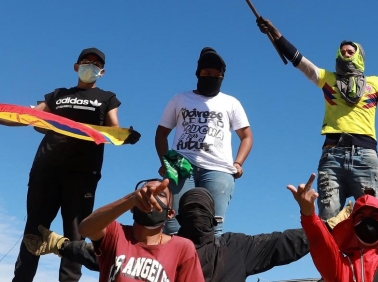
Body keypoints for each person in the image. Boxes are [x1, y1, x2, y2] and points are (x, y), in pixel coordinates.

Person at [257, 18, 378, 220]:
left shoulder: (375, 83)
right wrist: (276, 34)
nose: (346, 54)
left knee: (371, 220)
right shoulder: (327, 78)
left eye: (351, 52)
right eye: (342, 52)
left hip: (365, 156)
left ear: (360, 56)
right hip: (332, 156)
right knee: (329, 221)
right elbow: (299, 60)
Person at [5, 48, 134, 282]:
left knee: (75, 235)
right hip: (46, 169)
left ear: (102, 72)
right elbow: (32, 117)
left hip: (83, 174)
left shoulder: (108, 98)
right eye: (86, 62)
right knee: (34, 229)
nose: (90, 66)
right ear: (76, 66)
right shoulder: (57, 94)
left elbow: (114, 129)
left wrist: (125, 136)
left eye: (96, 64)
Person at [26, 187, 312, 282]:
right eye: (191, 210)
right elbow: (100, 253)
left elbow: (287, 242)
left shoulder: (235, 246)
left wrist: (326, 227)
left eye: (201, 211)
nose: (197, 215)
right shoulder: (173, 247)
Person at [155, 47, 253, 236]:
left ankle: (207, 265)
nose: (212, 77)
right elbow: (161, 133)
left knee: (212, 228)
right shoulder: (180, 99)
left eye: (217, 74)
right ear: (198, 73)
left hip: (219, 169)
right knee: (173, 225)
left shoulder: (231, 103)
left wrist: (238, 163)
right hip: (180, 165)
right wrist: (164, 161)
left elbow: (247, 136)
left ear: (223, 77)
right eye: (207, 73)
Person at [77, 178, 204, 281]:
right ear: (133, 207)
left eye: (160, 194)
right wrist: (130, 199)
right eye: (145, 192)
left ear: (170, 213)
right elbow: (85, 229)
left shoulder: (182, 248)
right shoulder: (116, 233)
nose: (151, 198)